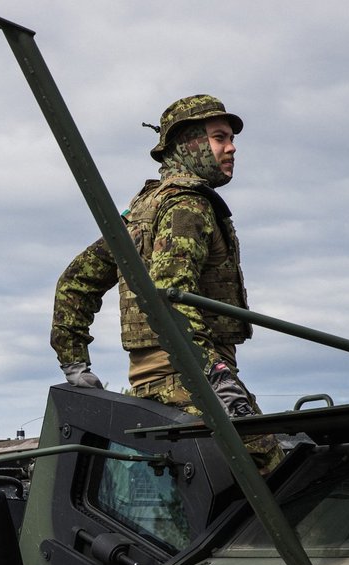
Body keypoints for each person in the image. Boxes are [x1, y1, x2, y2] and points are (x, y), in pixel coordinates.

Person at [50, 94, 283, 472]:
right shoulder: (187, 205)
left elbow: (75, 280)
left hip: (155, 385)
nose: (232, 148)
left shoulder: (142, 209)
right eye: (220, 137)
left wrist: (73, 362)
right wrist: (216, 378)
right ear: (188, 144)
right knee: (273, 470)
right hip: (190, 377)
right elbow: (170, 296)